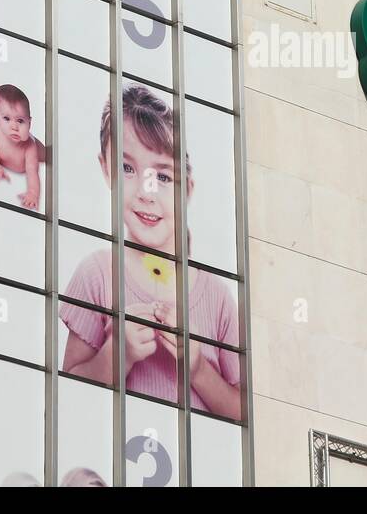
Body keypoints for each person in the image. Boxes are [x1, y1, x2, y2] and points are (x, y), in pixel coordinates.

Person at [59, 83, 241, 420]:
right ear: (105, 170)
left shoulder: (217, 297)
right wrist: (116, 356)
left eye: (162, 176)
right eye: (128, 169)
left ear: (186, 189)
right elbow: (68, 391)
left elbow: (243, 410)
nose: (146, 193)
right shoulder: (97, 274)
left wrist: (198, 367)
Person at [0, 83, 45, 210]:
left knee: (47, 155)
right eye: (6, 118)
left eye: (20, 121)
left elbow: (32, 172)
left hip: (34, 146)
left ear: (29, 122)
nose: (14, 127)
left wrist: (33, 193)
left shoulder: (30, 147)